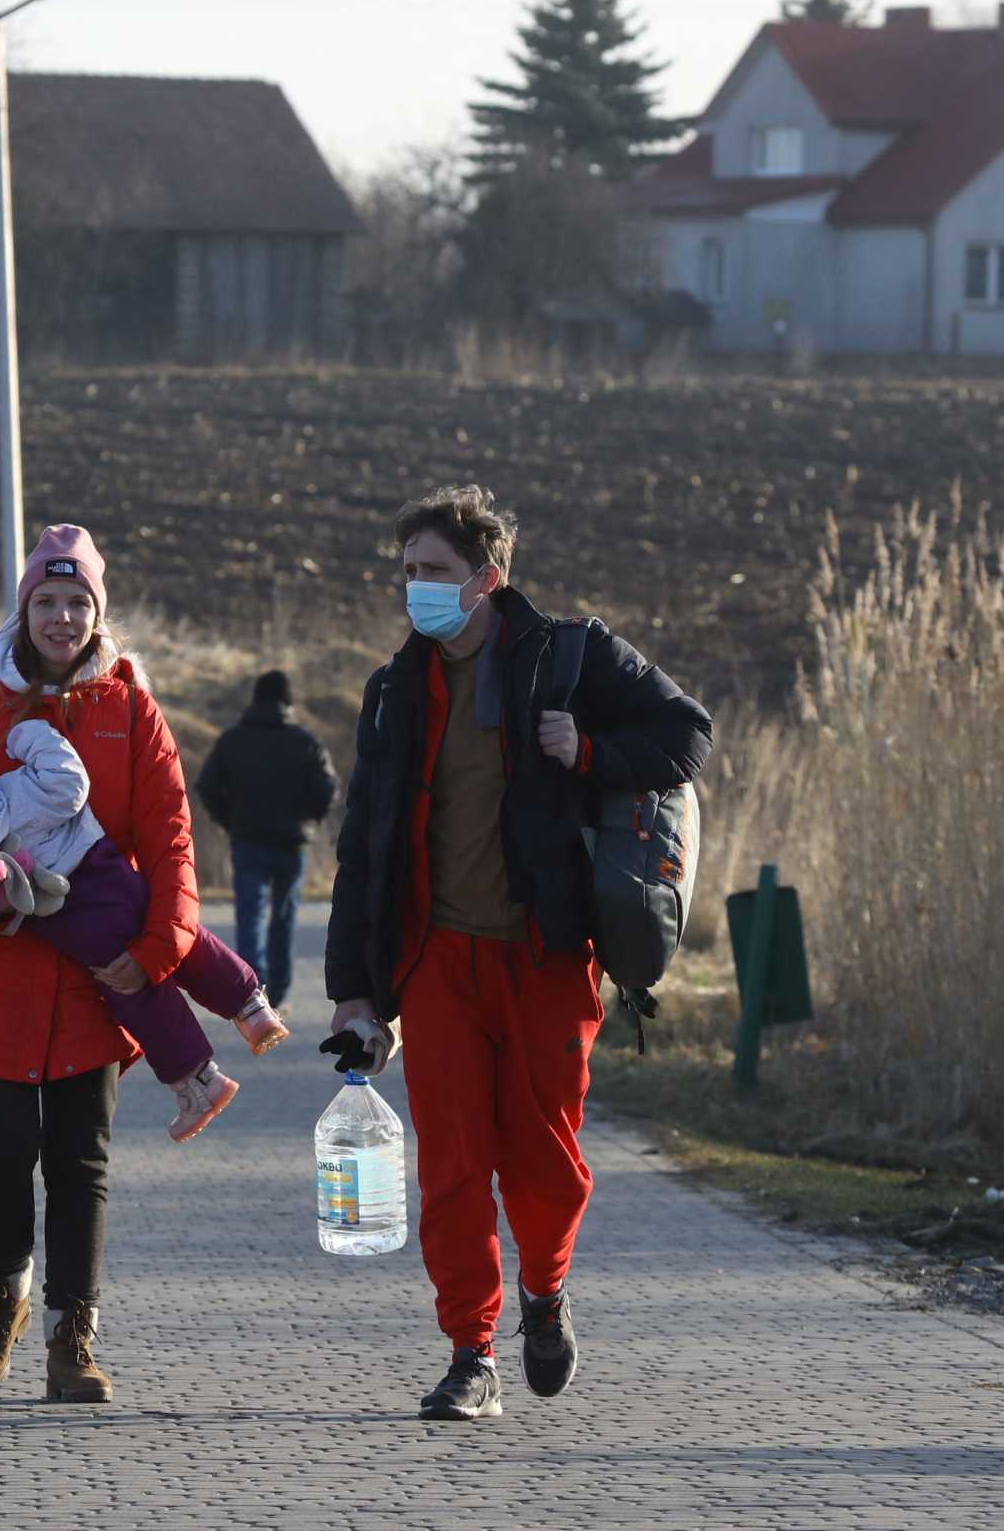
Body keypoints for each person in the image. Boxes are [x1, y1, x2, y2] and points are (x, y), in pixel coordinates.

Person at [322, 485, 712, 1422]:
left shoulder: (572, 656)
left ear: (488, 579)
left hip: (547, 954)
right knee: (454, 1165)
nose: (419, 590)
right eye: (409, 572)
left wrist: (586, 749)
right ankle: (471, 1352)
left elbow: (686, 735)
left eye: (438, 574)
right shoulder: (394, 692)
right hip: (439, 962)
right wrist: (355, 994)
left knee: (543, 1162)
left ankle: (544, 1290)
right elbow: (365, 846)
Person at [0, 524, 206, 1406]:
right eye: (45, 601)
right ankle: (4, 1298)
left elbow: (171, 837)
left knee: (80, 1159)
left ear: (99, 613)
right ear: (23, 610)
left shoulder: (133, 712)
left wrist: (158, 946)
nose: (61, 616)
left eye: (77, 602)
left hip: (101, 977)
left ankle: (71, 1334)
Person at [0, 711, 289, 1141]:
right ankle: (250, 1006)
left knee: (133, 993)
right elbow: (70, 782)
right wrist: (32, 735)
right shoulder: (15, 793)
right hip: (107, 874)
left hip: (72, 923)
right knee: (176, 937)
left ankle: (199, 1083)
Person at [195, 669, 337, 1007]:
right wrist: (309, 819)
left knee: (250, 914)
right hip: (291, 843)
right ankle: (281, 989)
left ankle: (251, 990)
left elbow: (206, 786)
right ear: (287, 702)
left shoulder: (232, 740)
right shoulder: (304, 742)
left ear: (255, 699)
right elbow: (327, 789)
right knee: (284, 917)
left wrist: (228, 820)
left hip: (248, 840)